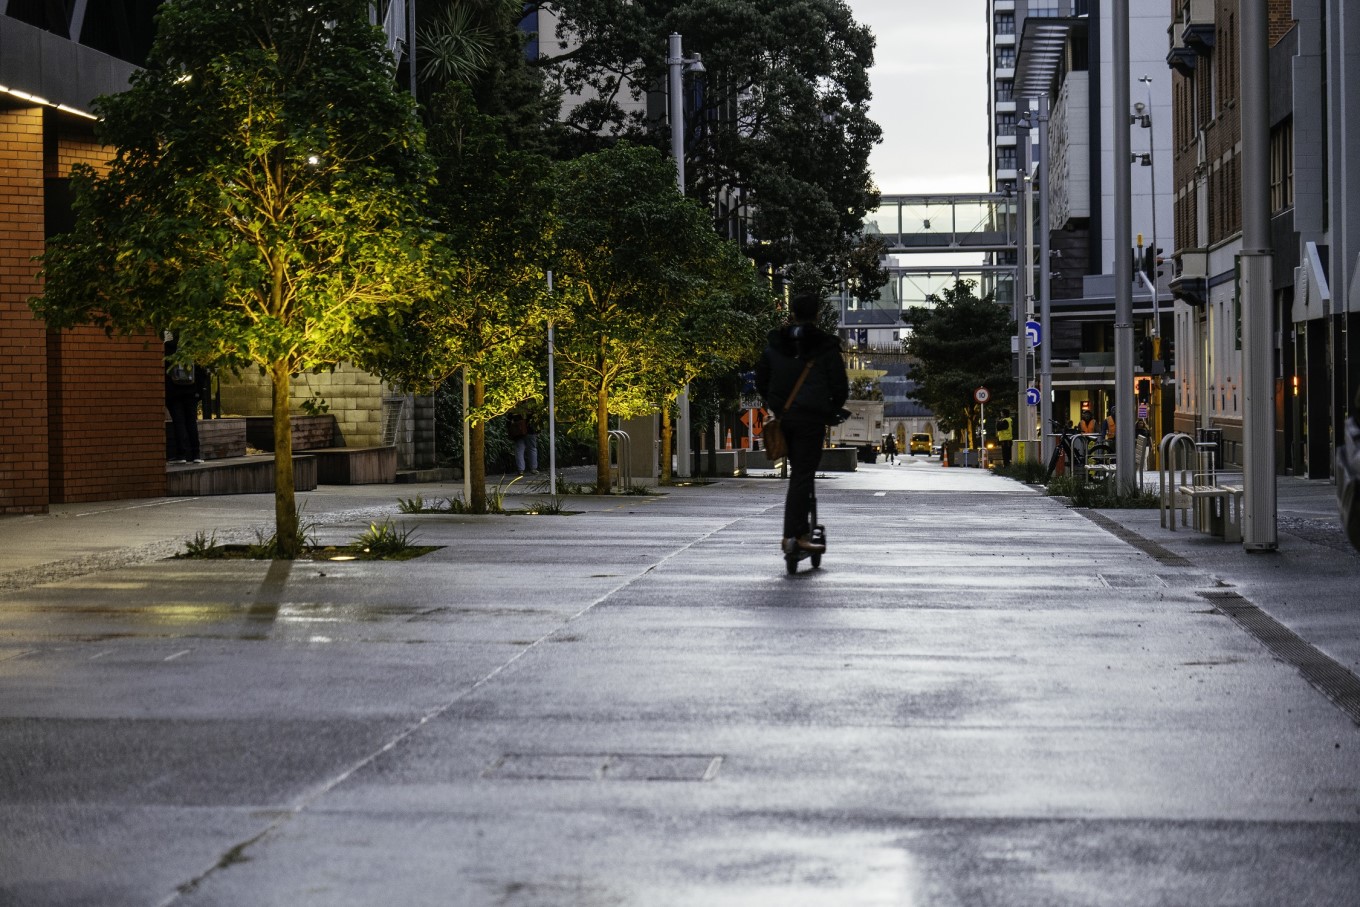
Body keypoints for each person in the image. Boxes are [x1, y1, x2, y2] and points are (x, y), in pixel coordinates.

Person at [755, 289, 850, 556]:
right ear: (817, 314)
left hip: (785, 419)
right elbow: (840, 387)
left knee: (799, 475)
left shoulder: (776, 344)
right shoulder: (825, 346)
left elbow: (761, 379)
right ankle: (793, 536)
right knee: (802, 476)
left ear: (793, 314)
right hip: (812, 421)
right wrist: (829, 409)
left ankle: (798, 532)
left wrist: (776, 405)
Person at [164, 331, 203, 464]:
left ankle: (181, 454)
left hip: (174, 392)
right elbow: (200, 371)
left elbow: (165, 371)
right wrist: (198, 392)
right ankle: (196, 454)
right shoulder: (192, 349)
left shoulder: (167, 348)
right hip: (191, 391)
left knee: (179, 423)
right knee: (191, 422)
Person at [508, 410, 538, 474]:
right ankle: (533, 468)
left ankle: (521, 469)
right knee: (532, 449)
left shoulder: (514, 405)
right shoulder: (531, 404)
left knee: (519, 450)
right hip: (530, 431)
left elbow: (509, 418)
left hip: (518, 432)